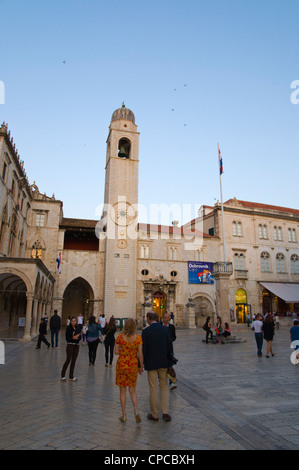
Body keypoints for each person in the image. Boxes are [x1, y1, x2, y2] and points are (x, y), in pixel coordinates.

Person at [142, 311, 173, 422]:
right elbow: (170, 347)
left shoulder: (146, 332)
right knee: (164, 387)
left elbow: (144, 349)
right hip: (164, 362)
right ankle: (165, 412)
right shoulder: (165, 330)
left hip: (151, 363)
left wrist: (141, 364)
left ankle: (154, 414)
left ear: (149, 319)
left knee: (153, 388)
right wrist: (170, 363)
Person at [115, 318, 143, 423]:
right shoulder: (138, 338)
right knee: (132, 390)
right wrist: (141, 367)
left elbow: (116, 352)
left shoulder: (120, 337)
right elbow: (140, 354)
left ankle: (124, 415)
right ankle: (136, 410)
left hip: (122, 365)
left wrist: (123, 350)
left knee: (122, 391)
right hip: (133, 365)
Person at [61, 317, 81, 381]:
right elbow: (67, 338)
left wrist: (77, 338)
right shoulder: (69, 328)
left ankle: (71, 376)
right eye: (72, 321)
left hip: (76, 345)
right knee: (68, 360)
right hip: (70, 345)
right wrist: (73, 337)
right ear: (70, 322)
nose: (74, 322)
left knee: (74, 361)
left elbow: (79, 336)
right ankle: (63, 375)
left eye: (75, 321)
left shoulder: (77, 328)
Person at [161, 312, 177, 390]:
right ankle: (161, 380)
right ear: (163, 319)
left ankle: (172, 382)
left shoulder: (172, 327)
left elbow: (174, 337)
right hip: (161, 349)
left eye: (168, 318)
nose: (167, 319)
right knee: (161, 366)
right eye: (166, 318)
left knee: (170, 366)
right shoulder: (159, 327)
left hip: (169, 349)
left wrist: (170, 340)